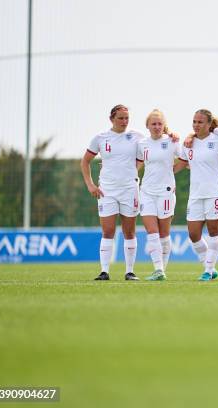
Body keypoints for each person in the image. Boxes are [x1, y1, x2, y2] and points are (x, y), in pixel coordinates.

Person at [80, 104, 143, 281]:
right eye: (120, 118)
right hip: (107, 190)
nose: (124, 122)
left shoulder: (137, 137)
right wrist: (90, 185)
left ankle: (130, 271)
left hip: (130, 189)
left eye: (127, 118)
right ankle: (104, 271)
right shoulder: (100, 138)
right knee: (108, 231)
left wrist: (131, 172)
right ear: (111, 119)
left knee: (129, 231)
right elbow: (84, 162)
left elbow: (143, 157)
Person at [175, 109, 218, 281]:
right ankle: (208, 265)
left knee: (213, 231)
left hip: (215, 192)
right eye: (194, 122)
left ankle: (208, 270)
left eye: (200, 122)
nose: (196, 125)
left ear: (209, 124)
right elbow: (180, 165)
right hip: (195, 194)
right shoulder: (188, 143)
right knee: (193, 234)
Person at [136, 109, 180, 281]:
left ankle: (162, 269)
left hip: (166, 192)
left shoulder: (172, 141)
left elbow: (186, 159)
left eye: (159, 124)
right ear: (147, 126)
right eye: (153, 124)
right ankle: (158, 269)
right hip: (146, 191)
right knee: (151, 232)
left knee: (164, 234)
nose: (156, 127)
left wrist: (172, 173)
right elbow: (137, 163)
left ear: (164, 125)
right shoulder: (142, 144)